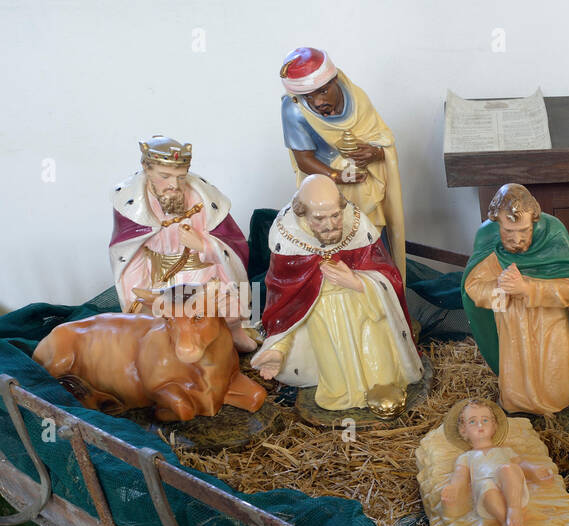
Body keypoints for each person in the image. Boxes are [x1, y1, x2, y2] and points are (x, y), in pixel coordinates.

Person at [249, 175, 422, 413]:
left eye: (335, 215)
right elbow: (287, 303)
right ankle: (341, 393)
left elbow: (388, 277)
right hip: (321, 316)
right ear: (303, 214)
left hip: (365, 305)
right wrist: (277, 348)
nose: (330, 225)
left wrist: (358, 282)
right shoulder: (287, 240)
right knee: (335, 370)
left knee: (375, 340)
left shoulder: (359, 228)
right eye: (319, 218)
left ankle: (383, 385)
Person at [461, 184, 569, 415]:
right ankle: (519, 408)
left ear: (535, 222)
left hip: (551, 326)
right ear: (497, 225)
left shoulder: (553, 234)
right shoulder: (488, 240)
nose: (516, 240)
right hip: (512, 330)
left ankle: (559, 401)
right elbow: (473, 288)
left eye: (524, 231)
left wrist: (528, 288)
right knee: (516, 388)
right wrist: (501, 289)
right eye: (508, 232)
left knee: (556, 385)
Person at [110, 136, 254, 351]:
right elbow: (130, 256)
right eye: (165, 176)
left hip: (204, 277)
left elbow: (233, 244)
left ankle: (234, 333)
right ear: (146, 169)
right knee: (160, 326)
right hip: (161, 282)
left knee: (225, 309)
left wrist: (204, 246)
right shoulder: (132, 206)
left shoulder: (205, 199)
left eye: (181, 177)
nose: (173, 185)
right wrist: (135, 297)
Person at [279, 46, 406, 281]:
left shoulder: (356, 98)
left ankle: (380, 294)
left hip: (365, 188)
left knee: (373, 243)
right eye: (309, 97)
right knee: (332, 246)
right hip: (328, 194)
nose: (318, 102)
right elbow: (304, 159)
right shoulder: (294, 109)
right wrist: (337, 176)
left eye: (323, 91)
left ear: (334, 79)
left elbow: (384, 145)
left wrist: (376, 155)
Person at [438, 397, 553, 526]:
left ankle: (513, 509)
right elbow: (460, 477)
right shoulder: (466, 457)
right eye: (472, 421)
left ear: (494, 425)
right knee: (486, 486)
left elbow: (521, 463)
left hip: (512, 487)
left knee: (507, 469)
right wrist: (454, 488)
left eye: (485, 420)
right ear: (463, 430)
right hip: (486, 495)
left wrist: (534, 469)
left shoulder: (504, 450)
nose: (480, 424)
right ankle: (505, 520)